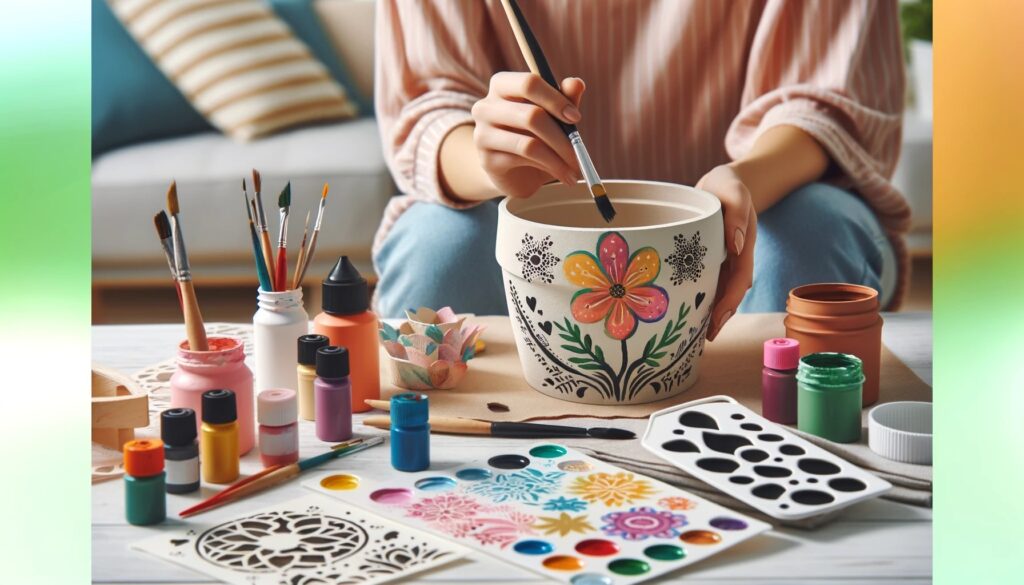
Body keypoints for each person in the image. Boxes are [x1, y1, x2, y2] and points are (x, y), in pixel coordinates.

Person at [371, 0, 909, 341]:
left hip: (761, 197)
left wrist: (744, 184)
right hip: (518, 212)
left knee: (807, 236)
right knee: (438, 248)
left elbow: (824, 102)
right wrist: (492, 163)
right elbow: (428, 106)